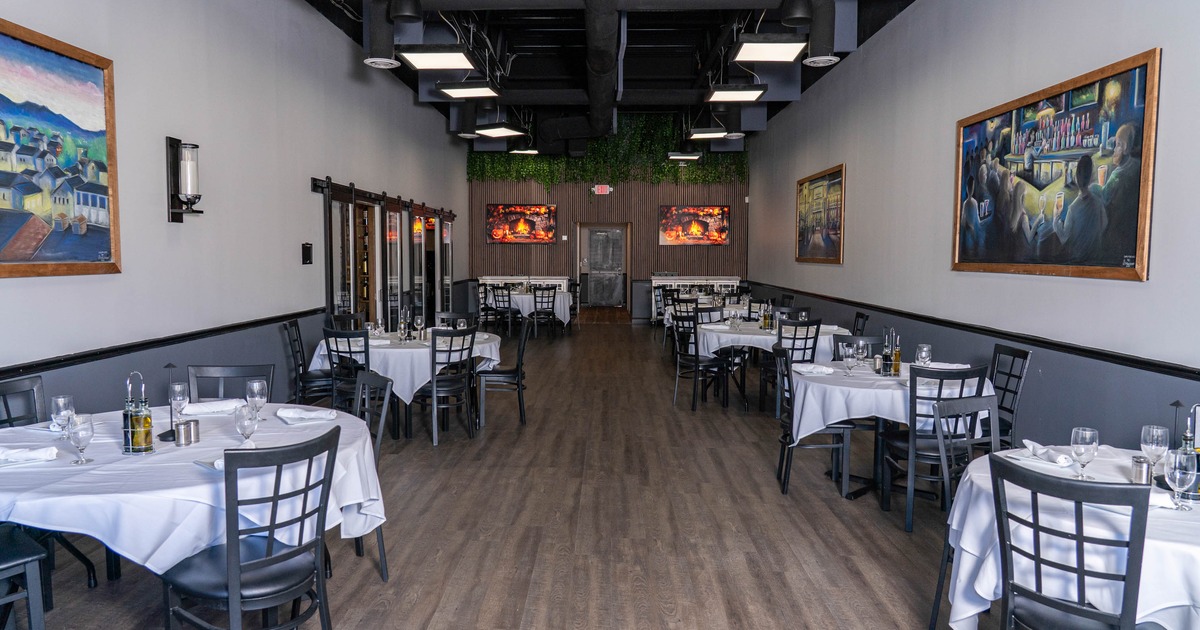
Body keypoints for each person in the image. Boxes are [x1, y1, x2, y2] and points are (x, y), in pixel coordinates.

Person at [1099, 123, 1142, 263]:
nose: (1114, 150)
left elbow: (1103, 198)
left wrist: (1099, 185)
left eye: (1117, 145)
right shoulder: (1137, 165)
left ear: (1124, 147)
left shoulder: (1117, 176)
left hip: (1115, 232)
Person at [1053, 155, 1107, 263]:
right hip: (1096, 258)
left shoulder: (1072, 209)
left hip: (1078, 260)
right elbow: (1104, 224)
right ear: (1092, 177)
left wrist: (1055, 218)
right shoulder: (1098, 203)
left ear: (1076, 179)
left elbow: (1064, 238)